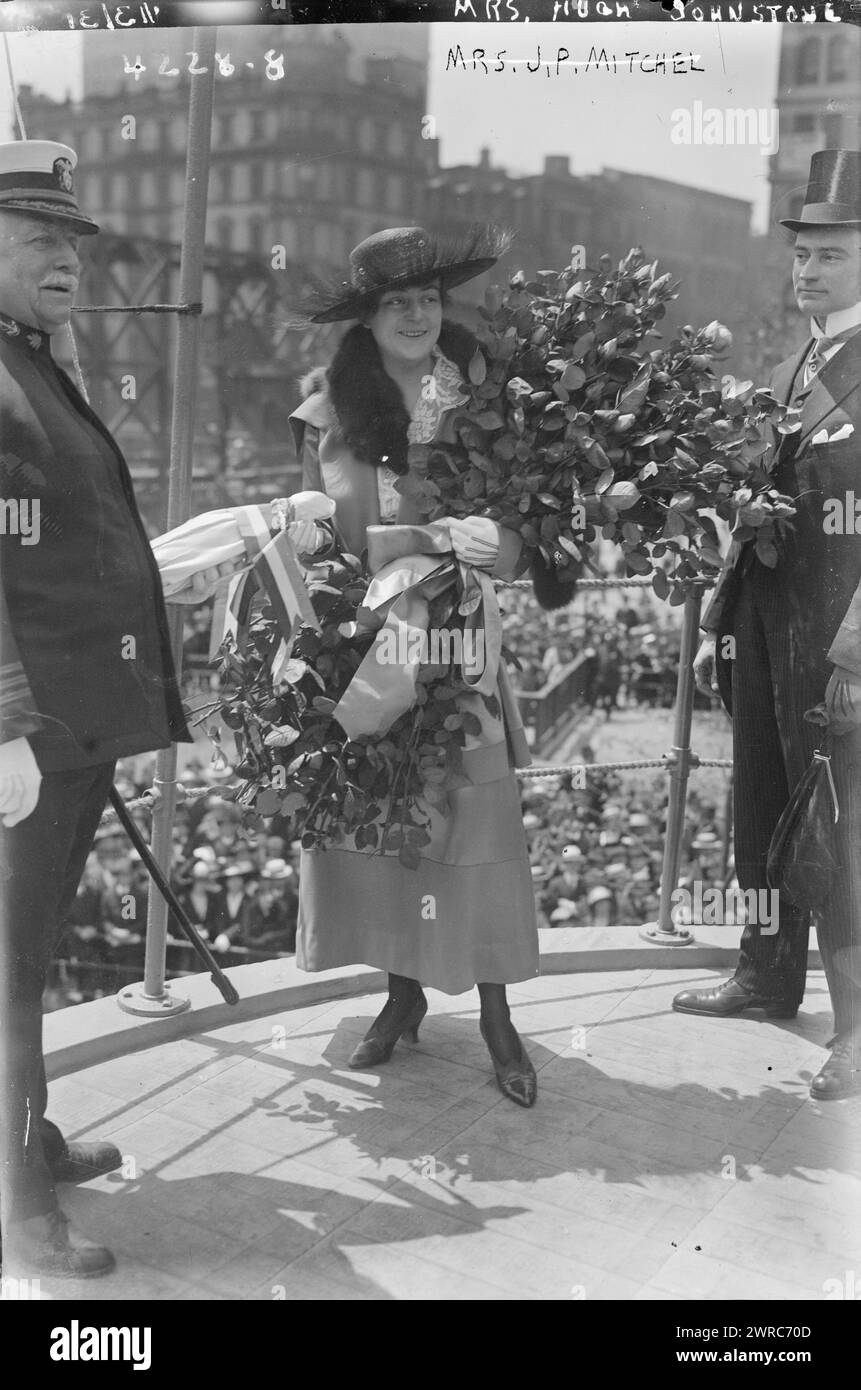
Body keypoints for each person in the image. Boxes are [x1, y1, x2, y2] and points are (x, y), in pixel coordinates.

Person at [0, 140, 232, 1279]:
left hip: (71, 722)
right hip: (25, 730)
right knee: (2, 967)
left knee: (28, 952)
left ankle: (25, 1139)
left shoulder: (31, 363)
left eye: (74, 241)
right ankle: (17, 1210)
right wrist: (1, 727)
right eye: (40, 239)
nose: (69, 260)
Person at [288, 225, 577, 1107]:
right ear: (366, 319)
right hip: (365, 654)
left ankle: (495, 1015)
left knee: (475, 824)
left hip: (460, 650)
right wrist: (313, 553)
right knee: (380, 820)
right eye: (395, 303)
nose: (415, 314)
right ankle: (400, 995)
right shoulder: (324, 414)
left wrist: (513, 545)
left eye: (427, 299)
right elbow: (310, 536)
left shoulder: (493, 399)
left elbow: (544, 519)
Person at [674, 149, 861, 1100]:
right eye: (800, 254)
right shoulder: (796, 362)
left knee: (842, 829)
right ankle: (763, 971)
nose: (807, 270)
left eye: (830, 253)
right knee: (759, 801)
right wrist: (718, 617)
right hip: (762, 623)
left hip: (837, 645)